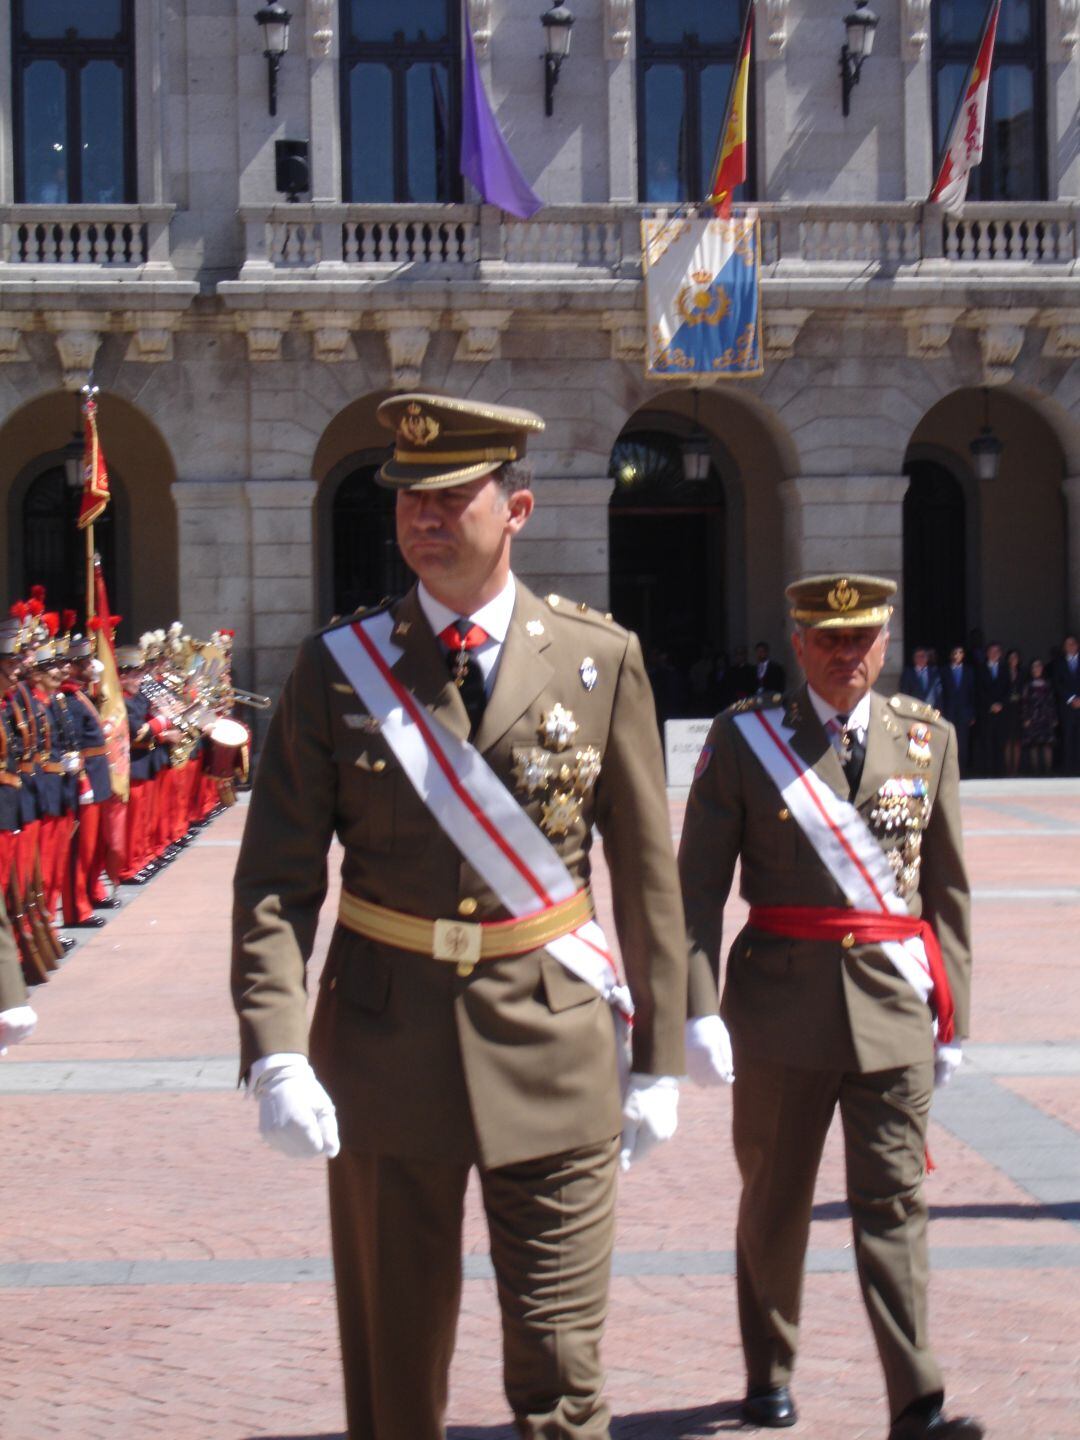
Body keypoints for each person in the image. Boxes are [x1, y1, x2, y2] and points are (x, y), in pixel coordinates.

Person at [231, 393, 688, 1440]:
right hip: (387, 1053)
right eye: (408, 499)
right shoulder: (337, 670)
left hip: (558, 1041)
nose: (423, 519)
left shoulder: (597, 660)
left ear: (517, 507)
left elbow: (647, 871)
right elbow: (276, 881)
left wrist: (662, 1052)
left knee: (563, 1373)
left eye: (452, 497)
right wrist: (275, 1050)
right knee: (397, 1376)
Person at [679, 573, 981, 1440]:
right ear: (799, 642)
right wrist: (700, 1008)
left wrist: (952, 1015)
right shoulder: (745, 742)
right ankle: (768, 1370)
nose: (846, 655)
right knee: (775, 1204)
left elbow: (949, 897)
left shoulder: (928, 741)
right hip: (779, 1012)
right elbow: (695, 889)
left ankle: (917, 1400)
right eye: (829, 639)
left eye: (862, 639)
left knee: (895, 1206)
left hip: (894, 1012)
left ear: (884, 644)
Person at [939, 646, 975, 776]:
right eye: (954, 653)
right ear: (950, 655)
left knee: (963, 742)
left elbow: (972, 694)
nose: (957, 655)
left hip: (964, 713)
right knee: (949, 743)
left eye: (960, 653)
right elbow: (941, 693)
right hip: (949, 712)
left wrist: (972, 714)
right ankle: (949, 772)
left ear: (963, 655)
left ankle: (963, 771)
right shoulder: (944, 671)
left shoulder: (969, 671)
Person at [975, 641, 1009, 777]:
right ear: (987, 653)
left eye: (997, 652)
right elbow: (979, 690)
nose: (994, 654)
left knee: (1000, 742)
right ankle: (987, 772)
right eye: (992, 651)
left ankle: (1000, 772)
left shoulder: (1004, 668)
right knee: (987, 742)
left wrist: (1000, 704)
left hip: (1001, 712)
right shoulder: (980, 668)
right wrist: (991, 704)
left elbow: (1008, 688)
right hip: (986, 711)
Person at [1021, 657, 1057, 776]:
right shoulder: (1027, 685)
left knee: (1047, 744)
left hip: (1046, 717)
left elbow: (1052, 701)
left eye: (1039, 666)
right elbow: (1024, 702)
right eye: (1034, 667)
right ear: (1031, 669)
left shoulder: (1048, 683)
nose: (1037, 669)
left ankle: (1048, 771)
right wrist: (1025, 718)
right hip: (1032, 717)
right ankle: (1035, 772)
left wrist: (1053, 717)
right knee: (1034, 745)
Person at [1053, 634, 1080, 774]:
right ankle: (1068, 770)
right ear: (1064, 647)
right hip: (1067, 707)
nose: (1071, 646)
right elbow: (1057, 684)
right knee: (1068, 738)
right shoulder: (1059, 663)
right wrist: (1071, 699)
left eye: (1073, 643)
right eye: (1068, 644)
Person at [1003, 648, 1023, 778]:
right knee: (1007, 740)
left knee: (1017, 741)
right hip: (1006, 710)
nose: (1013, 660)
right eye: (1011, 658)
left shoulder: (1022, 673)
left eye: (1015, 658)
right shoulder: (1003, 673)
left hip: (1019, 709)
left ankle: (1015, 769)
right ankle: (1007, 769)